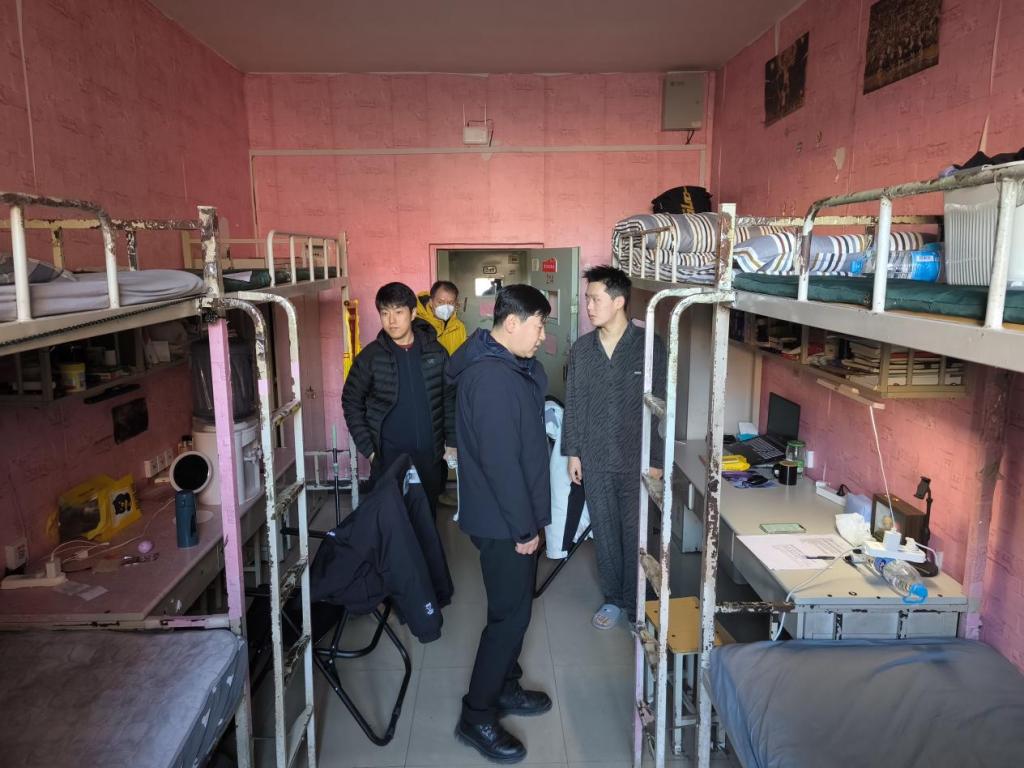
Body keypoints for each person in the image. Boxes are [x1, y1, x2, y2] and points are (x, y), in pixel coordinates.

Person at [447, 284, 553, 763]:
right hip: (503, 520)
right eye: (539, 325)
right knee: (508, 619)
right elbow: (500, 463)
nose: (543, 336)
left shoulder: (508, 365)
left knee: (516, 610)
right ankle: (477, 715)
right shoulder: (491, 379)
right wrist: (524, 529)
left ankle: (506, 686)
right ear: (511, 323)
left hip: (508, 513)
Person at [562, 265, 667, 631]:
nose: (589, 307)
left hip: (637, 458)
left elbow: (663, 405)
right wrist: (573, 452)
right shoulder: (582, 349)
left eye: (596, 299)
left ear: (619, 301)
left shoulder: (649, 345)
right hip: (595, 457)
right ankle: (614, 599)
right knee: (605, 534)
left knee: (636, 534)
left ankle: (638, 602)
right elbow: (573, 402)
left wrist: (656, 459)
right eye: (587, 299)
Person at [341, 282, 456, 517]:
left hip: (429, 457)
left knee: (426, 520)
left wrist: (451, 442)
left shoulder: (436, 353)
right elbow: (351, 402)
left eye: (398, 312)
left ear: (413, 313)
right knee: (391, 522)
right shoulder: (370, 358)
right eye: (385, 313)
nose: (391, 321)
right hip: (387, 458)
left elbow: (449, 399)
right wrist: (370, 451)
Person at [417, 280, 468, 356]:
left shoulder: (459, 327)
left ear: (455, 304)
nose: (446, 307)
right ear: (431, 302)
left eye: (450, 303)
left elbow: (463, 356)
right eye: (440, 302)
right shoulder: (418, 325)